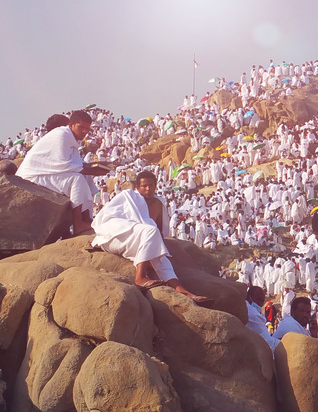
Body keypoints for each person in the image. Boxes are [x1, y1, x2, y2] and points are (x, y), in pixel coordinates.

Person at [91, 171, 210, 304]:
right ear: (137, 187)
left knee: (161, 257)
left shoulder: (158, 203)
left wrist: (155, 248)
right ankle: (140, 278)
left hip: (136, 237)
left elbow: (159, 232)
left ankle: (184, 291)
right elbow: (105, 217)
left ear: (156, 186)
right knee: (150, 231)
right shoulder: (128, 196)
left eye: (151, 185)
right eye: (144, 186)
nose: (148, 189)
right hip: (114, 235)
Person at [17, 110, 106, 234]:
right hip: (32, 177)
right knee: (77, 178)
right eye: (81, 127)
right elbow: (64, 165)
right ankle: (78, 223)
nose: (84, 132)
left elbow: (75, 164)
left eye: (87, 129)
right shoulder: (62, 135)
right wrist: (92, 170)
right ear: (71, 125)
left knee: (85, 177)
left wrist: (97, 167)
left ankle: (87, 218)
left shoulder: (71, 138)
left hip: (47, 174)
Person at [245, 286, 280, 352]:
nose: (260, 304)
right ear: (249, 297)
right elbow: (268, 342)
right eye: (258, 299)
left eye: (262, 301)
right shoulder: (253, 314)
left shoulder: (257, 311)